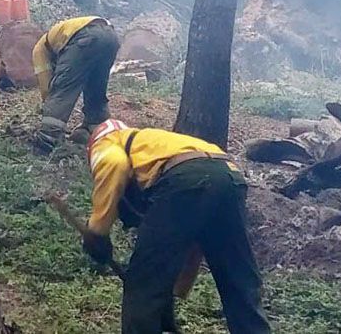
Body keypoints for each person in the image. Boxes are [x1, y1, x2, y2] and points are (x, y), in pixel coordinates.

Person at [82, 119, 271, 334]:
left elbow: (114, 164)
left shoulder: (105, 141)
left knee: (143, 282)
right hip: (229, 175)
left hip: (185, 179)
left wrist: (97, 232)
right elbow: (194, 239)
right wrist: (174, 290)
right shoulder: (156, 145)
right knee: (239, 281)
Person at [31, 16, 120, 155]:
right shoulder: (60, 36)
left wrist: (47, 105)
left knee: (63, 89)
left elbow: (47, 87)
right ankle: (96, 125)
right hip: (110, 36)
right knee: (95, 85)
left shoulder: (39, 50)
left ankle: (48, 137)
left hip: (86, 37)